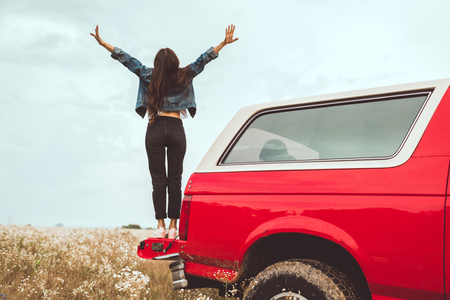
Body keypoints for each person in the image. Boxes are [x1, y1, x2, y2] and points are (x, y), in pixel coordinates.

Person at [90, 25, 238, 239]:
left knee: (158, 179)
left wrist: (104, 44)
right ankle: (173, 227)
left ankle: (160, 226)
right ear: (175, 62)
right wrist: (223, 43)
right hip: (176, 128)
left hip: (155, 128)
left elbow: (128, 60)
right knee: (175, 179)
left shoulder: (149, 75)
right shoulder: (184, 74)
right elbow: (203, 59)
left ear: (157, 64)